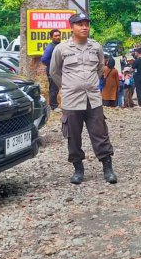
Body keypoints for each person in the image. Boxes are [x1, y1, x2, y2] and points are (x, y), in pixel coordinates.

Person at [50, 13, 118, 185]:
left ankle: (107, 167)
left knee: (100, 133)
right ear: (71, 27)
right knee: (73, 136)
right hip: (71, 101)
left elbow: (99, 68)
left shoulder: (96, 47)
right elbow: (54, 72)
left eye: (86, 24)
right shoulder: (61, 49)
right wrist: (68, 87)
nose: (84, 27)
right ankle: (78, 169)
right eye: (79, 24)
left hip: (93, 99)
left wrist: (89, 84)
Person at [40, 29, 62, 113]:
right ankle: (53, 106)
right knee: (54, 89)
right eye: (55, 36)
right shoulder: (50, 47)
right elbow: (44, 59)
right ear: (51, 37)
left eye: (59, 35)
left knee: (57, 88)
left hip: (58, 71)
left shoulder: (59, 45)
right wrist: (54, 65)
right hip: (52, 72)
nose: (58, 37)